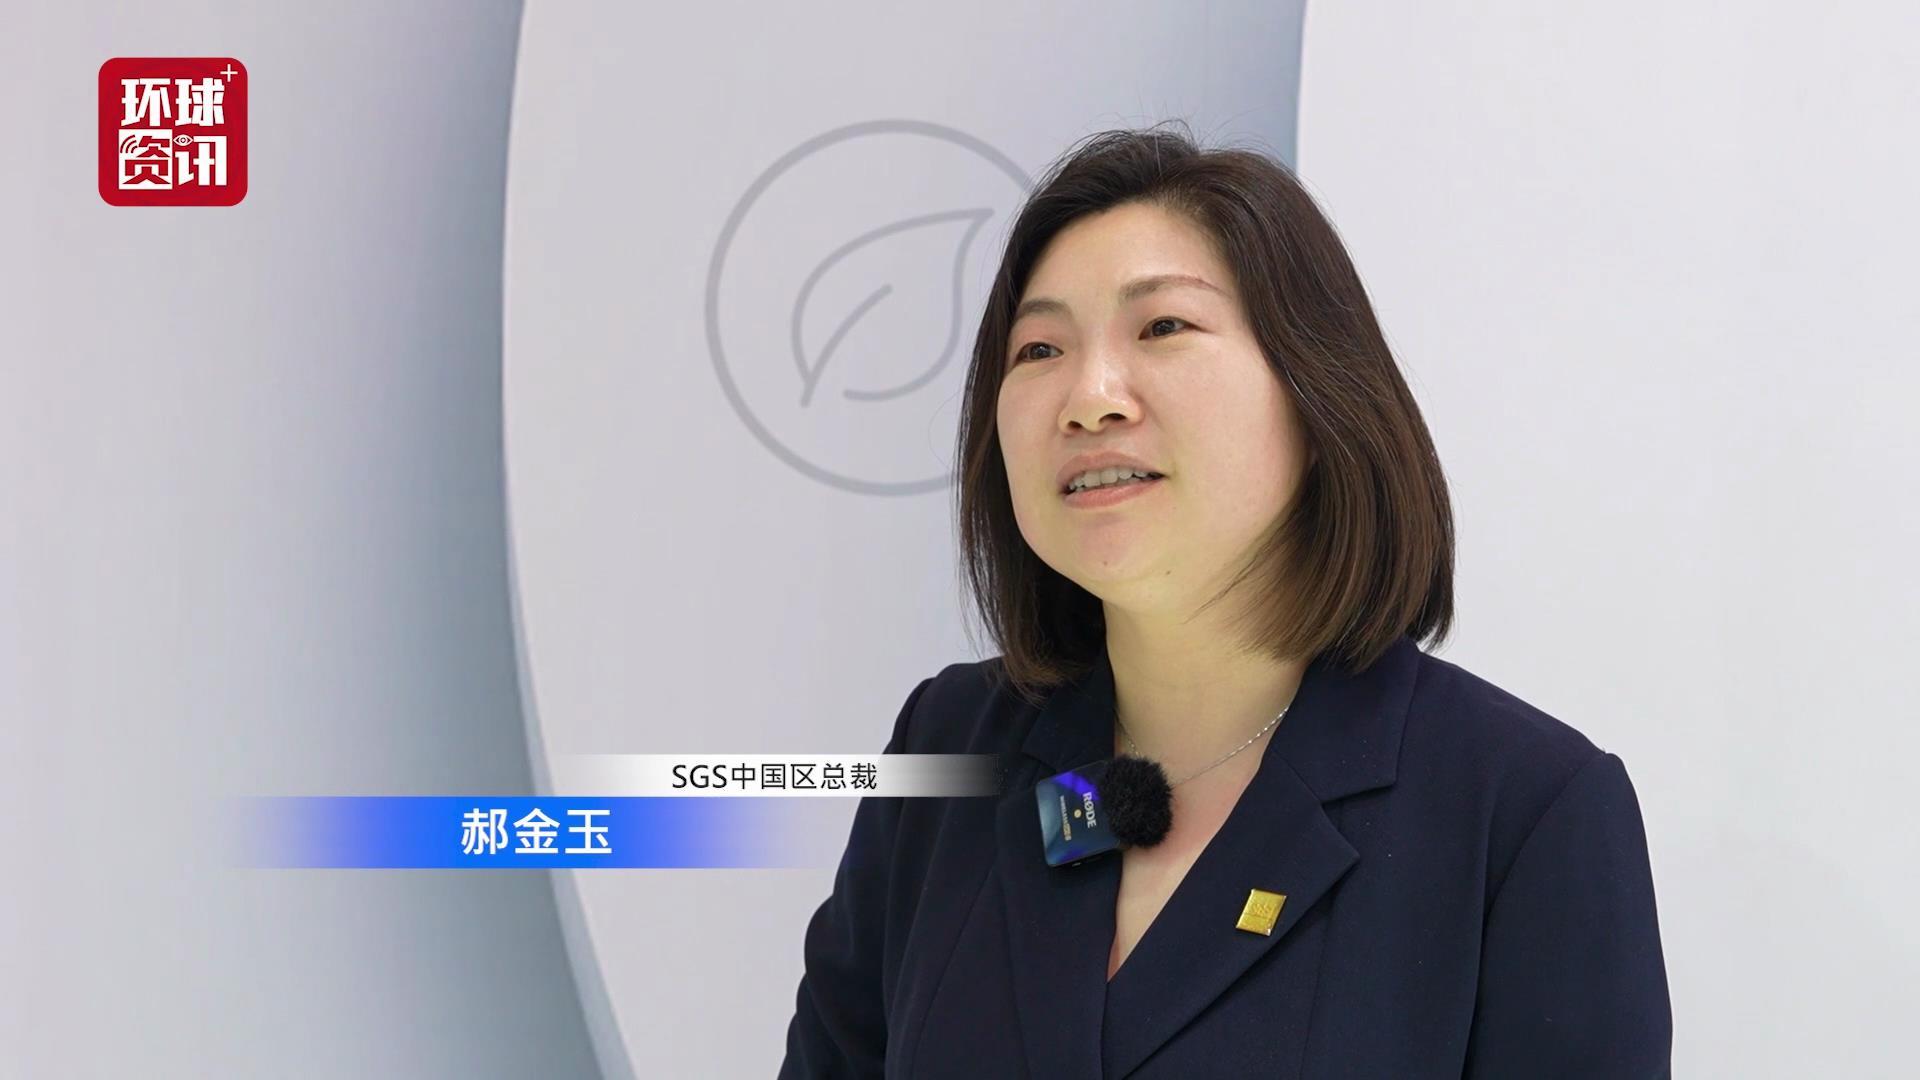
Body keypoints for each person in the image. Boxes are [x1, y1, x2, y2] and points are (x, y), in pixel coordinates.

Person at [778, 123, 1672, 1078]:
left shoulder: (1522, 811)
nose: (1089, 396)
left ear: (1318, 397)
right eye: (1038, 348)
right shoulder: (954, 748)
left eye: (1162, 327)